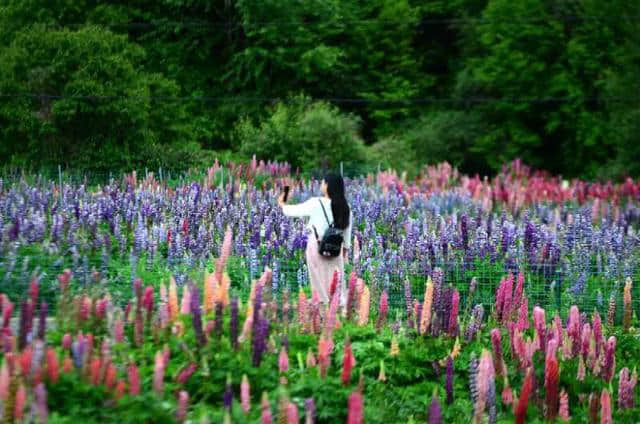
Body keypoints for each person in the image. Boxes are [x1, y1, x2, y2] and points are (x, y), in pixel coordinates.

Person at [278, 173, 352, 304]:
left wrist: (283, 201)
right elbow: (346, 236)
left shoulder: (316, 203)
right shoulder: (345, 207)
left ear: (328, 186)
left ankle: (320, 311)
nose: (321, 185)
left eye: (323, 182)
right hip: (336, 248)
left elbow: (291, 211)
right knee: (336, 281)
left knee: (318, 281)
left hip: (316, 245)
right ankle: (336, 310)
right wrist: (343, 252)